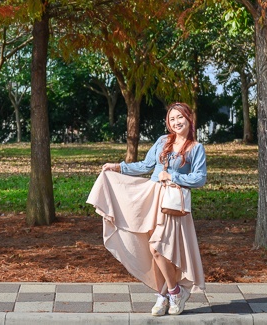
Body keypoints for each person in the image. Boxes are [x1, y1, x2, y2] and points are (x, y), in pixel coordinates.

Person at [88, 103, 207, 317]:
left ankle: (174, 292)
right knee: (156, 252)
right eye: (172, 119)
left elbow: (200, 178)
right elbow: (145, 166)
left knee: (158, 249)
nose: (176, 122)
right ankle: (164, 296)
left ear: (189, 119)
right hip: (151, 197)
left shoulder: (195, 148)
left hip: (171, 204)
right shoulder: (163, 141)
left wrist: (173, 176)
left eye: (180, 117)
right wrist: (118, 167)